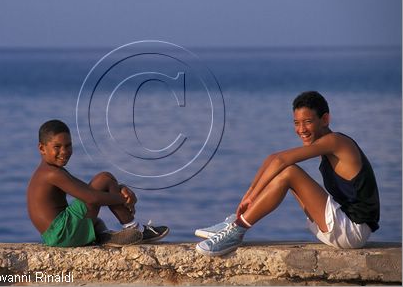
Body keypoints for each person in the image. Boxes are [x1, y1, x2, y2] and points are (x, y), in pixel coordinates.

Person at [195, 91, 380, 256]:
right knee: (284, 170)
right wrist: (250, 193)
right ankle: (235, 223)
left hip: (353, 231)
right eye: (297, 123)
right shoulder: (325, 145)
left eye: (308, 122)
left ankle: (237, 230)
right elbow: (273, 158)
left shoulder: (336, 142)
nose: (301, 130)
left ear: (325, 119)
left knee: (290, 172)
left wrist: (252, 196)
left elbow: (281, 160)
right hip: (342, 228)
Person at [27, 119, 169, 247]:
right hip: (62, 233)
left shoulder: (49, 170)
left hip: (54, 236)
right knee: (105, 178)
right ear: (42, 148)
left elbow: (87, 190)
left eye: (68, 145)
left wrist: (121, 188)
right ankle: (135, 229)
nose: (64, 151)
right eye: (57, 147)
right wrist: (124, 198)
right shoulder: (52, 173)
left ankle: (105, 236)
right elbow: (92, 198)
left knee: (97, 222)